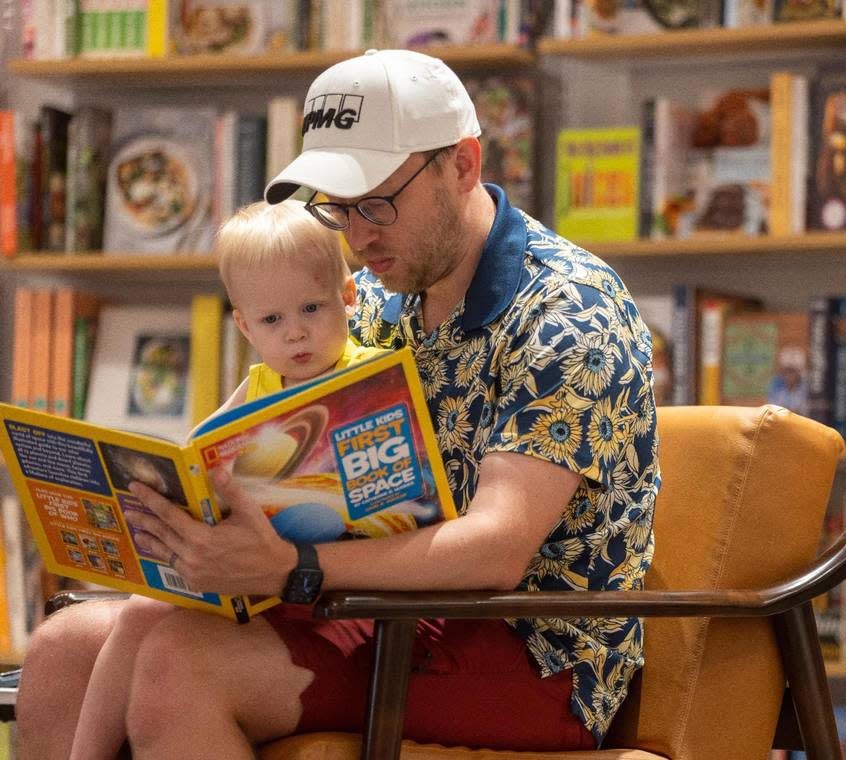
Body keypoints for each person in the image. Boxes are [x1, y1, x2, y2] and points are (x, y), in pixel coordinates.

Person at [16, 48, 659, 760]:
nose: (356, 236)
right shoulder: (373, 298)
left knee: (179, 663)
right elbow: (249, 434)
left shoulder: (569, 314)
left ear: (463, 165)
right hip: (372, 610)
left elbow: (497, 549)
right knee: (63, 649)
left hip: (529, 650)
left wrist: (293, 565)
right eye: (338, 209)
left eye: (378, 203)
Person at [64, 199, 383, 760]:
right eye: (272, 320)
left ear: (349, 297)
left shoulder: (374, 378)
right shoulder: (259, 383)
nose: (296, 334)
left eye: (312, 307)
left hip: (331, 588)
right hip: (251, 580)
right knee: (139, 612)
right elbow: (198, 451)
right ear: (243, 325)